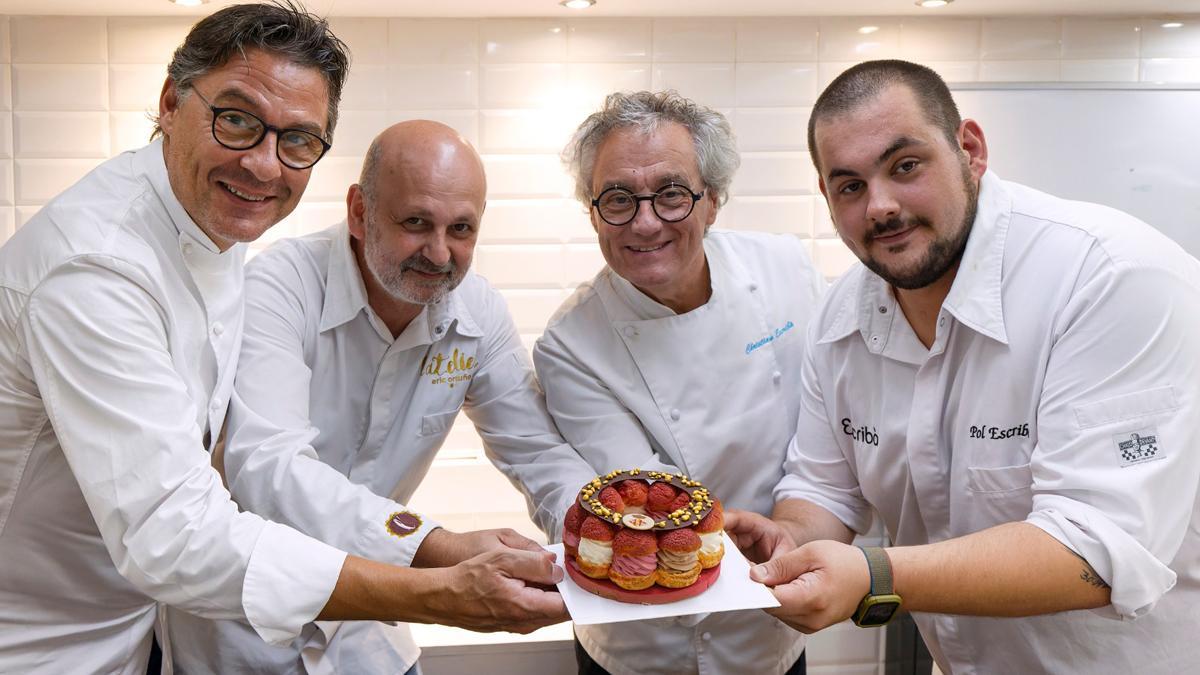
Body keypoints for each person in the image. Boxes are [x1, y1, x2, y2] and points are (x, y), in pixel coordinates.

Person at [0, 6, 564, 674]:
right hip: (37, 646)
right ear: (170, 104)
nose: (265, 166)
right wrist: (434, 585)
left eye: (298, 140)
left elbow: (534, 443)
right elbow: (179, 530)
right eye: (236, 120)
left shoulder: (215, 227)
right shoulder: (97, 267)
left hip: (134, 627)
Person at [725, 59, 1200, 673]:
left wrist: (874, 575)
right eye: (849, 186)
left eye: (905, 166)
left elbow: (1099, 547)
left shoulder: (1109, 277)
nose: (881, 207)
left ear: (969, 149)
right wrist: (790, 540)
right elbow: (825, 487)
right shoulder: (841, 317)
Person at [167, 120, 598, 674]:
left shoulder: (477, 312)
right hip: (243, 629)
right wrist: (439, 548)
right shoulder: (281, 286)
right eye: (416, 222)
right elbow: (267, 467)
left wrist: (595, 531)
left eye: (461, 228)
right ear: (359, 211)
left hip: (368, 634)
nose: (439, 253)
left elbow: (537, 450)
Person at [533, 90, 824, 675]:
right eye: (617, 199)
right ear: (592, 212)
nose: (645, 223)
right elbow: (642, 503)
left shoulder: (786, 271)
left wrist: (800, 532)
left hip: (770, 617)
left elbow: (823, 437)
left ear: (713, 200)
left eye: (671, 195)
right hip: (639, 637)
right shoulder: (571, 344)